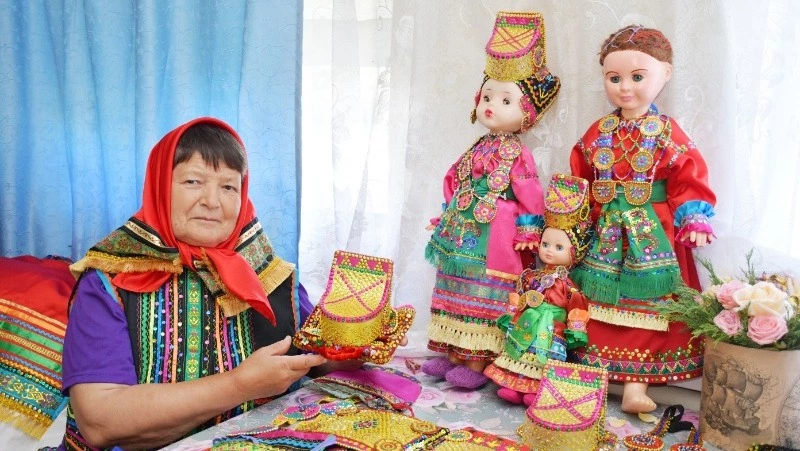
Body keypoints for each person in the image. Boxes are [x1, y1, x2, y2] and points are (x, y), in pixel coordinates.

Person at [57, 117, 333, 450]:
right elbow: (101, 421)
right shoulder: (108, 283)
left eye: (228, 187)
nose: (212, 201)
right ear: (160, 187)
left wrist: (358, 339)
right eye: (193, 181)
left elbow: (321, 357)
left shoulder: (270, 273)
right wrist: (239, 386)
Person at [569, 26, 716, 413]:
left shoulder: (666, 131)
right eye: (614, 78)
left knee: (648, 306)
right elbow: (581, 176)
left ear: (665, 74)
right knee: (598, 303)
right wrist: (572, 219)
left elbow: (688, 175)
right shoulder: (599, 131)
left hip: (654, 234)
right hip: (604, 234)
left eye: (637, 77)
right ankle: (593, 375)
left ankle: (637, 385)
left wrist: (694, 217)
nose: (624, 88)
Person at [422, 11, 560, 389]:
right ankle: (453, 352)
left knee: (486, 291)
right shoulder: (478, 146)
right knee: (456, 285)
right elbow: (453, 178)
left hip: (496, 234)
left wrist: (529, 230)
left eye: (505, 100)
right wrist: (449, 211)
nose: (491, 105)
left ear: (526, 114)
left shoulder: (518, 154)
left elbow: (530, 194)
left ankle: (478, 361)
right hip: (463, 231)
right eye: (487, 96)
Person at [484, 174, 593, 406]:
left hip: (552, 329)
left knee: (543, 358)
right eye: (545, 244)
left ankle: (535, 390)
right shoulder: (530, 275)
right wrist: (514, 311)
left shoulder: (569, 286)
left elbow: (576, 309)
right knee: (521, 352)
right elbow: (521, 295)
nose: (549, 251)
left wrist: (575, 331)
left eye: (559, 247)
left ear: (574, 252)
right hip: (527, 322)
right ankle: (513, 385)